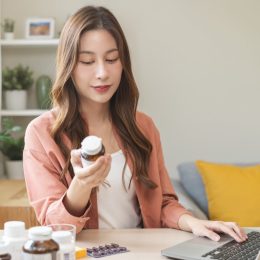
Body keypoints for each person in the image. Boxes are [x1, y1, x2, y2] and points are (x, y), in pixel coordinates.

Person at [23, 5, 247, 242]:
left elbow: (163, 203)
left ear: (123, 63)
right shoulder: (42, 133)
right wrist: (81, 185)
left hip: (143, 252)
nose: (102, 72)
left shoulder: (143, 127)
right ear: (69, 66)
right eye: (87, 61)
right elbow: (55, 226)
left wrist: (194, 222)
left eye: (111, 59)